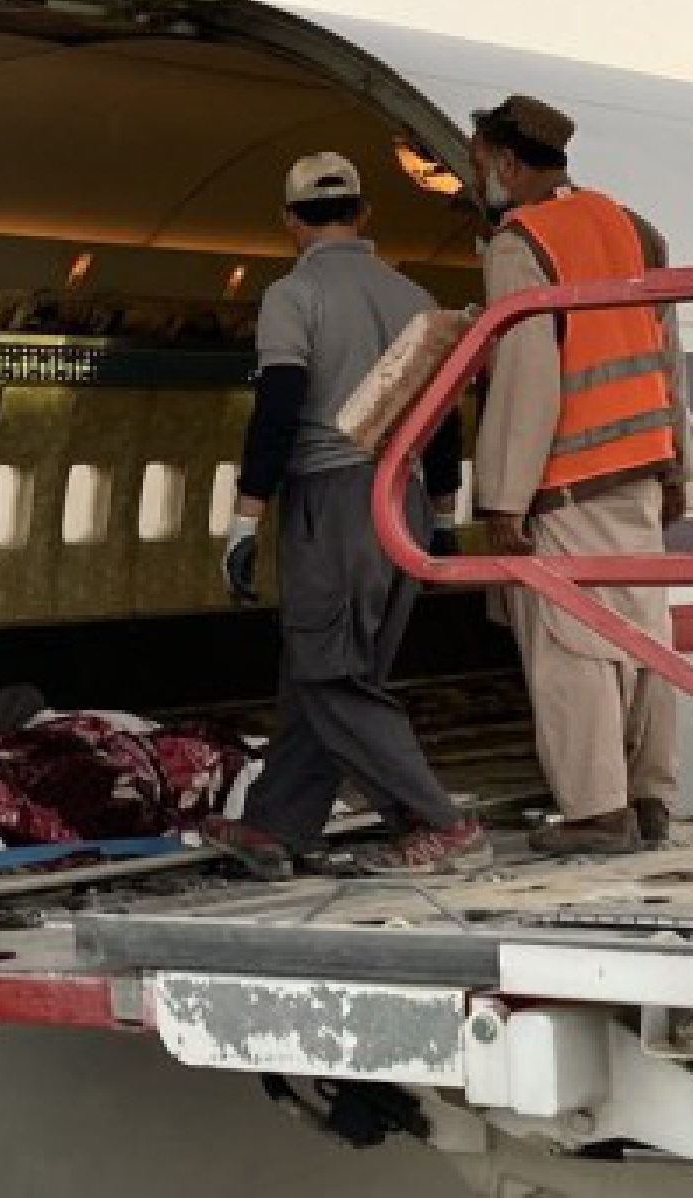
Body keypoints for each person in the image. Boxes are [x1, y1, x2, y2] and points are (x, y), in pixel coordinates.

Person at [203, 152, 488, 879]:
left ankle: (437, 822)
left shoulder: (292, 296)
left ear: (289, 222)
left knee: (330, 673)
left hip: (332, 499)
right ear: (363, 214)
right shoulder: (415, 296)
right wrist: (443, 517)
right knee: (328, 671)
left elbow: (278, 408)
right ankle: (277, 824)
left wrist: (246, 517)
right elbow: (444, 417)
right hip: (406, 503)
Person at [467, 95, 688, 856]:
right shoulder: (635, 229)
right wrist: (677, 465)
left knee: (569, 643)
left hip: (568, 477)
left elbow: (525, 374)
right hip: (640, 469)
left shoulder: (520, 243)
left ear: (505, 161)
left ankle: (597, 811)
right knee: (643, 633)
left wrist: (503, 496)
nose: (475, 177)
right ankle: (651, 797)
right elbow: (669, 357)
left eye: (477, 162)